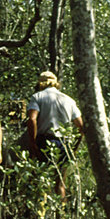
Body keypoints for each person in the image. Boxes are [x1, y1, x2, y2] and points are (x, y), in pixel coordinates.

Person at [25, 70, 83, 199]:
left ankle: (40, 216)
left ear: (41, 83)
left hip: (44, 142)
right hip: (64, 143)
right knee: (60, 184)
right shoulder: (69, 100)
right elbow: (81, 127)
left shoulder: (37, 97)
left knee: (40, 181)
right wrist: (75, 147)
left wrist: (33, 144)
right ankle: (60, 217)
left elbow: (32, 119)